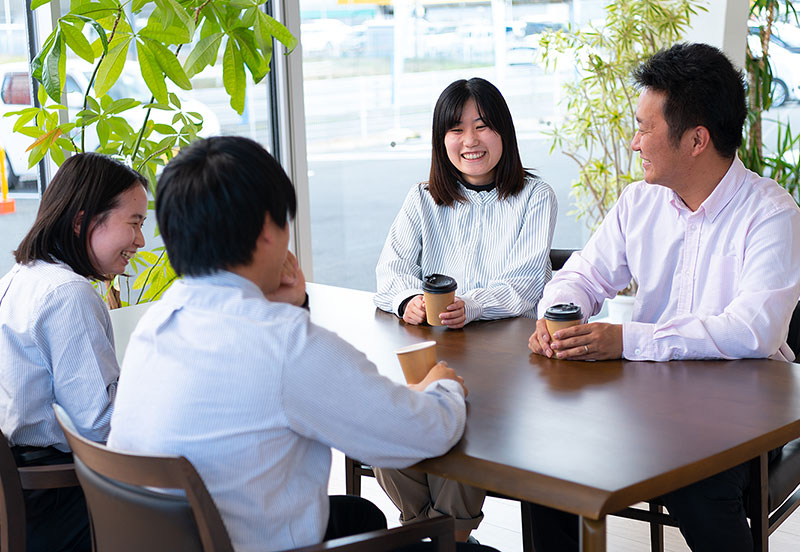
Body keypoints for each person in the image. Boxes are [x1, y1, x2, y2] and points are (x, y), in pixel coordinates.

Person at [106, 136, 497, 552]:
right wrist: (445, 385)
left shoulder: (157, 323)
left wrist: (293, 310)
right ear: (267, 232)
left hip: (182, 539)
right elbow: (423, 433)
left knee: (359, 516)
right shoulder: (284, 345)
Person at [528, 43, 800, 551]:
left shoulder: (772, 213)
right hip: (649, 402)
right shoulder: (639, 202)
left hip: (746, 414)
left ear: (696, 139)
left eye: (643, 128)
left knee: (696, 481)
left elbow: (754, 330)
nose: (634, 143)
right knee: (546, 464)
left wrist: (626, 339)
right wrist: (558, 316)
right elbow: (582, 276)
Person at [373, 77, 557, 542]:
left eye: (482, 126)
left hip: (506, 367)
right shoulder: (421, 198)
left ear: (504, 132)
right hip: (425, 361)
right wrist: (408, 300)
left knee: (464, 429)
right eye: (456, 129)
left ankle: (434, 539)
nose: (469, 141)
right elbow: (389, 272)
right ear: (441, 140)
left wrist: (469, 305)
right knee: (381, 430)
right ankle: (443, 539)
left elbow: (527, 283)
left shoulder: (535, 197)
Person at [0, 152, 148, 552]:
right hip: (60, 500)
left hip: (19, 501)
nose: (141, 240)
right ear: (83, 221)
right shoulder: (67, 294)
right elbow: (99, 427)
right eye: (134, 223)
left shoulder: (19, 278)